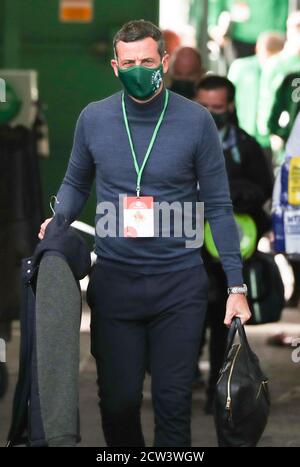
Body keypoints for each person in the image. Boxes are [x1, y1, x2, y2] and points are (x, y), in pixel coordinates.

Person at [39, 20, 251, 447]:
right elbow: (77, 182)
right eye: (130, 62)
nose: (140, 69)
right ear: (116, 66)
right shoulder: (94, 118)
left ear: (164, 62)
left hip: (180, 284)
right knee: (117, 403)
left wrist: (236, 284)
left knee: (173, 404)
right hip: (115, 282)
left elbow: (219, 207)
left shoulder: (196, 122)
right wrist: (58, 222)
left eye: (148, 61)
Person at [195, 75, 273, 413]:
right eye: (203, 107)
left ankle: (219, 390)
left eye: (217, 107)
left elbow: (263, 191)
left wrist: (236, 195)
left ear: (230, 106)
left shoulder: (247, 147)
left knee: (221, 321)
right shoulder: (180, 140)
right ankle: (179, 385)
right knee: (186, 323)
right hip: (189, 246)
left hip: (230, 249)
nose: (211, 114)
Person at [228, 31, 285, 148]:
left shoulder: (284, 70)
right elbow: (228, 98)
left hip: (271, 138)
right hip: (243, 133)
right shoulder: (240, 67)